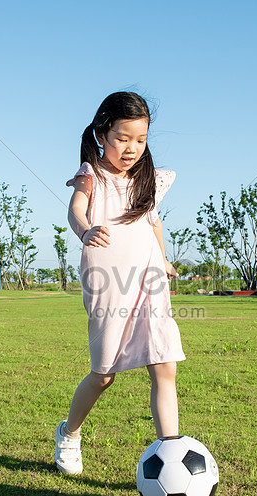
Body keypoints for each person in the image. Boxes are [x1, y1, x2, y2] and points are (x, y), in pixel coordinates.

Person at [54, 92, 186, 475]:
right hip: (108, 282)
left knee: (164, 365)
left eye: (140, 140)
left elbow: (153, 223)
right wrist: (85, 229)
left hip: (149, 279)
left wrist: (163, 259)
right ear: (101, 133)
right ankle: (69, 432)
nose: (131, 148)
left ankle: (171, 456)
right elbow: (75, 208)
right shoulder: (91, 173)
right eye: (122, 138)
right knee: (104, 375)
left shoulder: (147, 180)